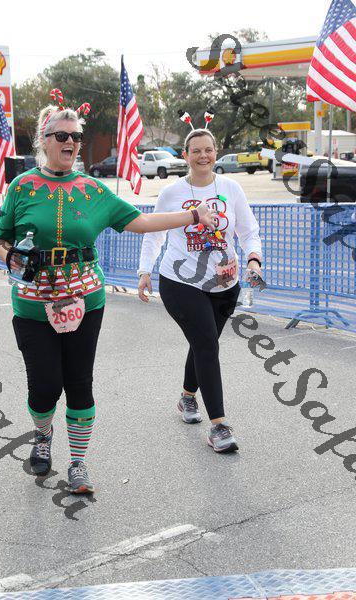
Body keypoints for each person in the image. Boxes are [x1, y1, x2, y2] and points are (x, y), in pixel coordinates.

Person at [0, 97, 216, 494]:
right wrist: (10, 257)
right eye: (62, 136)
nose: (71, 142)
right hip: (32, 304)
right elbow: (0, 237)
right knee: (44, 386)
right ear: (44, 140)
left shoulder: (93, 190)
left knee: (79, 383)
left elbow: (141, 220)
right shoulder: (22, 186)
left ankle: (78, 464)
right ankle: (42, 436)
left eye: (76, 137)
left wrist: (193, 215)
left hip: (86, 301)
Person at [138, 128, 262, 453]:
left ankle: (187, 397)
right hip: (181, 282)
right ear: (185, 155)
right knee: (206, 342)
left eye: (208, 150)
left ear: (215, 152)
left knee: (204, 343)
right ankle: (219, 426)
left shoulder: (231, 189)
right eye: (196, 151)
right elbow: (154, 234)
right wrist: (144, 270)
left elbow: (249, 230)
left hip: (225, 285)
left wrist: (254, 259)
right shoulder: (172, 193)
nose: (203, 156)